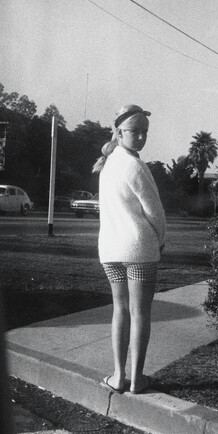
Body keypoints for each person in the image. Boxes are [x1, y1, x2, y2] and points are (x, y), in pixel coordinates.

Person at [93, 104, 166, 394]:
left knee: (120, 311)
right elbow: (155, 212)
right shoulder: (135, 165)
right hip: (139, 249)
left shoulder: (107, 165)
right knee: (140, 313)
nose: (140, 137)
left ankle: (117, 376)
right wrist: (160, 240)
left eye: (144, 132)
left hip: (110, 250)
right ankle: (136, 379)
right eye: (134, 131)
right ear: (120, 132)